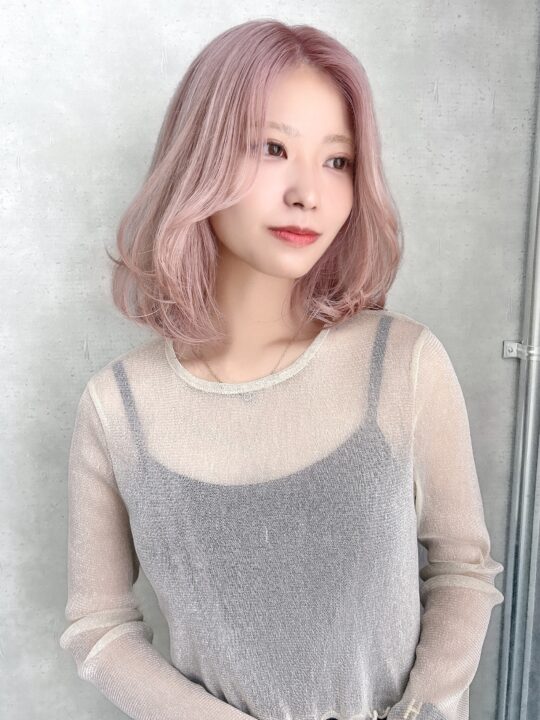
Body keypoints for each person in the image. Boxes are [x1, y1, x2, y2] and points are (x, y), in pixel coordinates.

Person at [58, 18, 504, 720]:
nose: (308, 193)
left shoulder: (402, 364)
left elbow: (463, 573)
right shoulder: (119, 407)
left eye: (338, 161)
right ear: (200, 156)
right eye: (273, 149)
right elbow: (99, 626)